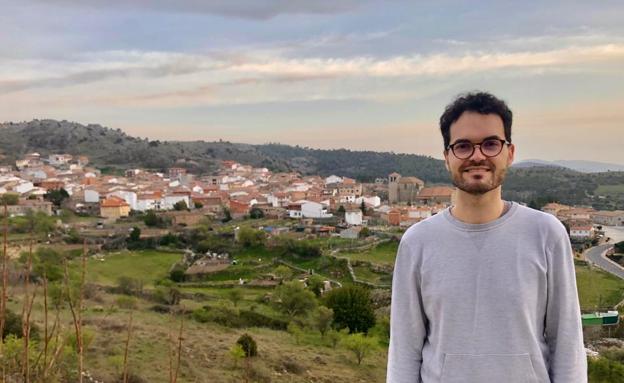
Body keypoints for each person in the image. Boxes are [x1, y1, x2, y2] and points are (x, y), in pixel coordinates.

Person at [387, 92, 586, 382]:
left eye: (491, 144)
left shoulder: (546, 233)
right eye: (463, 146)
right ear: (447, 157)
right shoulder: (417, 242)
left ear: (510, 152)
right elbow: (404, 351)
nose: (477, 156)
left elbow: (567, 344)